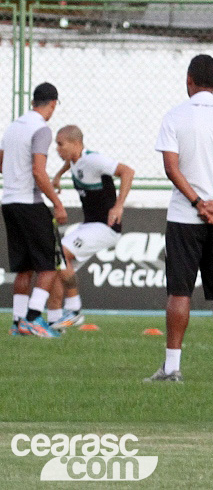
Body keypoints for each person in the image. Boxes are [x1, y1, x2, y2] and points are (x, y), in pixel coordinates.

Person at [147, 54, 213, 384]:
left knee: (179, 292)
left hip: (184, 216)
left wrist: (198, 203)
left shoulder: (174, 116)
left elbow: (171, 167)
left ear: (189, 80)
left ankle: (172, 368)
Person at [47, 125, 135, 331]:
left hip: (106, 227)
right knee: (57, 266)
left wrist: (119, 205)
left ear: (76, 144)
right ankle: (54, 321)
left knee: (59, 255)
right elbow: (71, 163)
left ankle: (74, 310)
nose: (57, 149)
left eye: (61, 144)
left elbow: (127, 171)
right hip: (90, 225)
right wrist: (59, 175)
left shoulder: (93, 159)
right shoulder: (75, 161)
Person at [2, 82, 66, 338]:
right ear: (52, 104)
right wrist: (57, 204)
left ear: (32, 102)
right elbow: (38, 171)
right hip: (30, 204)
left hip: (9, 201)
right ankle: (32, 318)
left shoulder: (13, 126)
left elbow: (2, 162)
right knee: (49, 266)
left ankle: (17, 323)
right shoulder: (41, 129)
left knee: (24, 268)